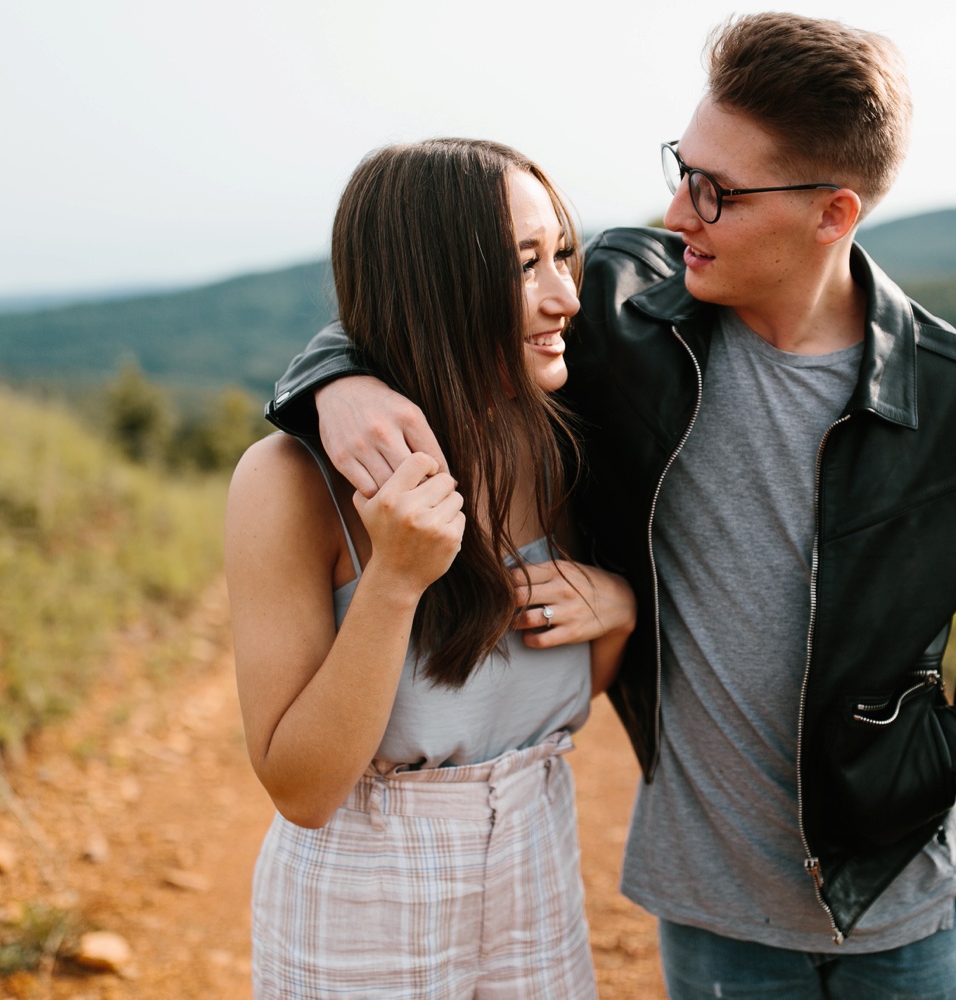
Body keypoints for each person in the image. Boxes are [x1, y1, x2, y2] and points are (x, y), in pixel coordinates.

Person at [266, 13, 956, 999]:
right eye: (682, 168)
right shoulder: (625, 318)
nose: (676, 210)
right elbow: (441, 302)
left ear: (832, 213)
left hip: (908, 902)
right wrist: (335, 379)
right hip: (713, 912)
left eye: (717, 191)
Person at [226, 138, 635, 999]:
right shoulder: (288, 484)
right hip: (362, 895)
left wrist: (621, 610)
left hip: (538, 862)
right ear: (433, 284)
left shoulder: (555, 441)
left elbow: (546, 706)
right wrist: (394, 582)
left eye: (562, 254)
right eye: (524, 265)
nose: (566, 295)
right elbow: (302, 789)